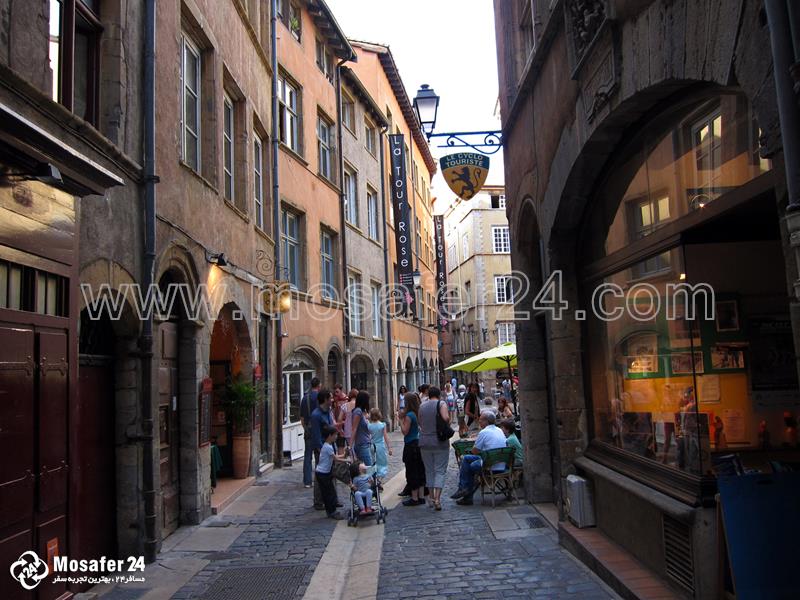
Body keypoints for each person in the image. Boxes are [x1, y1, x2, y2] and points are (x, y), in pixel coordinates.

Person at [453, 411, 508, 505]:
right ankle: (465, 492)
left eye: (481, 420)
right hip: (501, 464)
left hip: (490, 465)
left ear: (486, 421)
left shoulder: (484, 432)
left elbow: (475, 451)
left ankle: (464, 490)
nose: (479, 421)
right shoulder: (499, 430)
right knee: (467, 459)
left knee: (470, 466)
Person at [418, 386, 450, 510]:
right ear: (439, 395)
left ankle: (431, 497)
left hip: (425, 442)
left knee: (429, 470)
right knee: (440, 470)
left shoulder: (422, 406)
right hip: (439, 442)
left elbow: (420, 422)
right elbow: (446, 418)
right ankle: (437, 499)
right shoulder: (441, 404)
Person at [310, 390, 335, 509]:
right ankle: (318, 501)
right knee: (320, 474)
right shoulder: (316, 415)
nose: (332, 400)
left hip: (330, 446)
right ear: (325, 399)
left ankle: (332, 499)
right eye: (330, 398)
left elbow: (330, 427)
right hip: (322, 449)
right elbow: (316, 435)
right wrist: (321, 451)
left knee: (331, 473)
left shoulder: (328, 411)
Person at [401, 392, 426, 506]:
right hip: (418, 442)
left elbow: (405, 431)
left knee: (412, 471)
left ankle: (414, 498)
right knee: (420, 469)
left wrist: (400, 420)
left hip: (410, 444)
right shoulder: (418, 413)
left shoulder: (409, 415)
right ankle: (421, 496)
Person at [315, 425, 343, 520]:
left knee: (328, 492)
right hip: (323, 473)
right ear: (330, 436)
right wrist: (347, 459)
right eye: (335, 435)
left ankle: (330, 511)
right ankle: (332, 511)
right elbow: (335, 458)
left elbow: (334, 456)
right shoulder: (328, 447)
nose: (336, 437)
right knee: (329, 493)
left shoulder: (327, 446)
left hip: (322, 473)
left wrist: (344, 455)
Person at [299, 377, 321, 488]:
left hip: (308, 429)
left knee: (308, 456)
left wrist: (306, 428)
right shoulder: (321, 398)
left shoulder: (305, 398)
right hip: (319, 430)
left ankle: (307, 481)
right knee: (319, 456)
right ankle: (319, 479)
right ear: (319, 385)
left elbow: (302, 419)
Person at [368, 408, 392, 484]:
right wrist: (389, 448)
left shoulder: (369, 426)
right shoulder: (382, 425)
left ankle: (372, 479)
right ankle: (379, 479)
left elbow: (368, 437)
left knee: (372, 462)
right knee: (382, 463)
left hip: (372, 446)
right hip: (380, 446)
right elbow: (386, 437)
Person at [351, 391, 373, 466]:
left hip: (366, 443)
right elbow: (354, 428)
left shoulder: (363, 412)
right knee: (369, 468)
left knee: (367, 468)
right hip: (362, 444)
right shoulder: (358, 411)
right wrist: (350, 446)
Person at [340, 388, 357, 453]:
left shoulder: (345, 406)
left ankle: (353, 458)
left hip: (348, 430)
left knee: (351, 449)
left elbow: (339, 418)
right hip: (357, 430)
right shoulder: (359, 405)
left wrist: (341, 428)